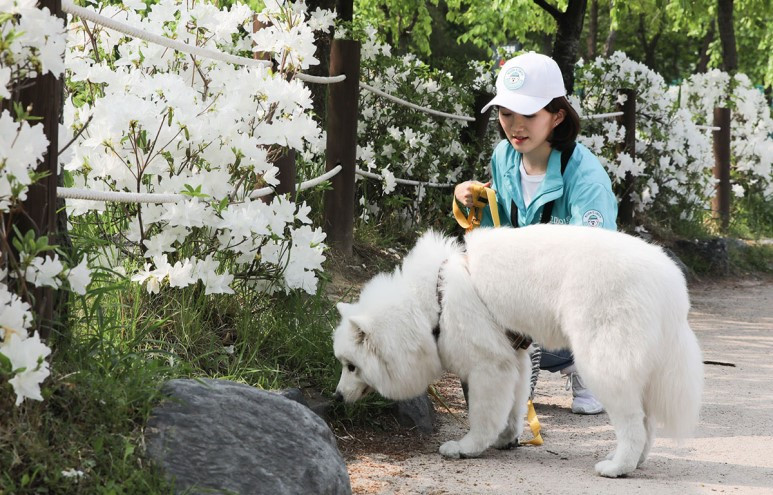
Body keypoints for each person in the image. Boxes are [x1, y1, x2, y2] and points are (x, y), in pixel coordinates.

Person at [454, 52, 618, 415]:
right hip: (526, 293)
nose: (515, 125)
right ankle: (516, 370)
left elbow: (597, 268)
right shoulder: (503, 157)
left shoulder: (587, 180)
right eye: (506, 113)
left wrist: (530, 305)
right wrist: (472, 204)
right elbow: (497, 238)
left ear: (557, 116)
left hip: (574, 305)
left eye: (529, 114)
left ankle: (587, 366)